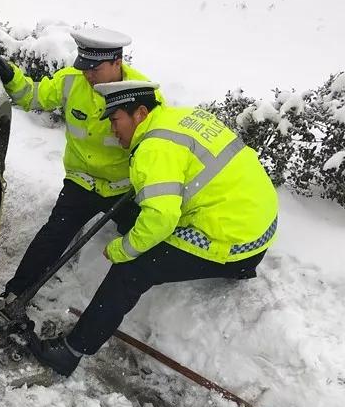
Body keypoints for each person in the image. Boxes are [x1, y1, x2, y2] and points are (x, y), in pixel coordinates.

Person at [28, 81, 279, 376]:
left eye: (115, 119)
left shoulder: (153, 149)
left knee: (133, 269)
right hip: (257, 227)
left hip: (230, 241)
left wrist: (122, 249)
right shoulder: (177, 119)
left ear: (141, 113)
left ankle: (71, 351)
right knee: (140, 221)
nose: (112, 129)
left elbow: (161, 219)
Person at [0, 28, 163, 302]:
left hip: (123, 190)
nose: (88, 75)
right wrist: (9, 73)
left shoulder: (143, 94)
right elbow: (31, 95)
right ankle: (15, 295)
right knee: (52, 236)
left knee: (141, 245)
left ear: (117, 63)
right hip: (82, 182)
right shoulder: (72, 81)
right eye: (84, 66)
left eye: (95, 69)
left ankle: (121, 308)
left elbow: (158, 145)